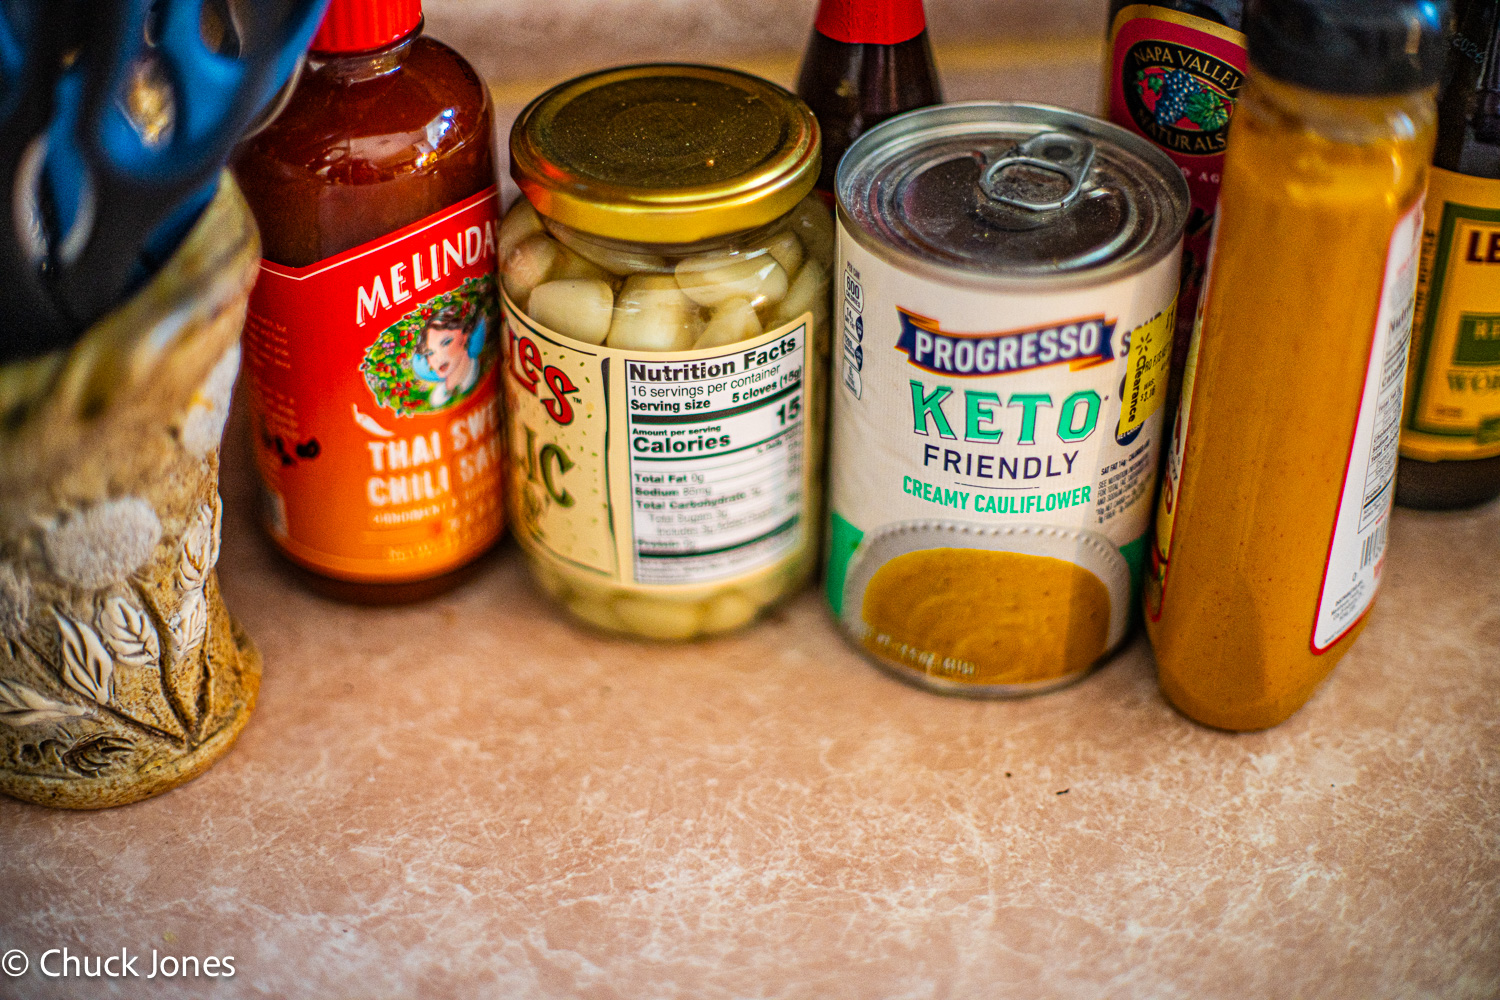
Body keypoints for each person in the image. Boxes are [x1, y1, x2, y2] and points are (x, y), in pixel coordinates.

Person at [414, 300, 484, 408]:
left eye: (446, 343)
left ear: (464, 336)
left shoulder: (478, 371)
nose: (437, 358)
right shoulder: (436, 397)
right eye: (430, 352)